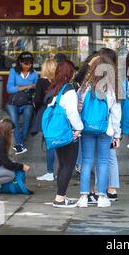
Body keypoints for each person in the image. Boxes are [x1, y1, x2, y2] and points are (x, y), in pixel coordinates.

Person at [75, 55, 122, 208]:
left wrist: (79, 125)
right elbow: (116, 114)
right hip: (105, 130)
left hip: (87, 128)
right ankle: (101, 197)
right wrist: (117, 134)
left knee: (87, 161)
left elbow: (78, 107)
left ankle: (83, 197)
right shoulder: (111, 90)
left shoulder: (84, 88)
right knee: (103, 162)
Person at [44, 60, 83, 207]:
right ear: (70, 72)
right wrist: (79, 128)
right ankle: (60, 199)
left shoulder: (56, 88)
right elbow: (72, 112)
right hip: (68, 132)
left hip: (58, 132)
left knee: (62, 165)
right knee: (68, 165)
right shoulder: (69, 89)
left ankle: (61, 196)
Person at [6, 51, 38, 154]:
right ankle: (20, 144)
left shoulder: (34, 74)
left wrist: (19, 88)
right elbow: (9, 89)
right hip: (13, 102)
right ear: (20, 62)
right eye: (25, 63)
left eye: (30, 63)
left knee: (28, 115)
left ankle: (21, 140)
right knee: (14, 120)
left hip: (26, 102)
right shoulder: (13, 71)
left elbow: (37, 89)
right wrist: (27, 87)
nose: (28, 66)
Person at [32, 59, 58, 181]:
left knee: (49, 144)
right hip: (57, 113)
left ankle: (50, 172)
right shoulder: (59, 81)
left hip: (45, 113)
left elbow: (37, 100)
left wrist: (35, 108)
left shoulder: (41, 81)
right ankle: (56, 171)